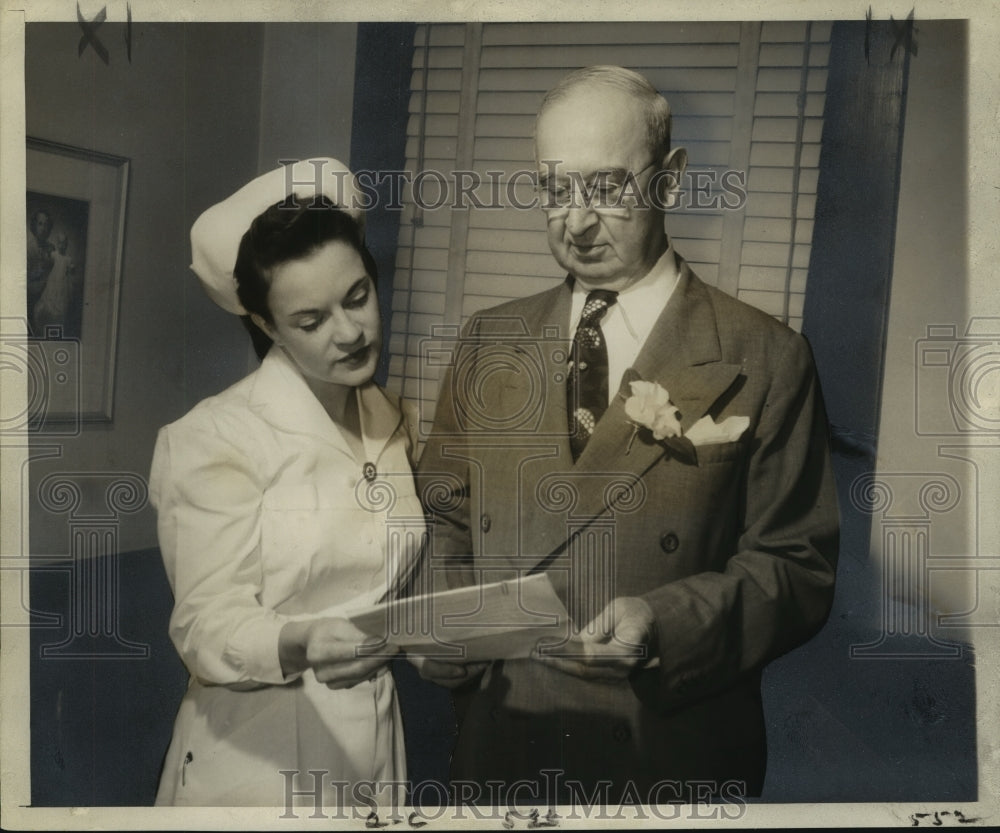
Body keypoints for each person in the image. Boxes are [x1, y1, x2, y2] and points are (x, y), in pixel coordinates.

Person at [415, 66, 840, 804]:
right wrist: (448, 619)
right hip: (503, 741)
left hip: (665, 750)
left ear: (670, 182)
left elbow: (796, 566)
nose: (575, 224)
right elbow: (445, 510)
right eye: (554, 190)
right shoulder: (490, 340)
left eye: (607, 189)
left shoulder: (768, 355)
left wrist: (667, 625)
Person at [150, 159, 421, 806]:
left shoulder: (390, 417)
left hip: (375, 741)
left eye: (358, 296)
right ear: (266, 325)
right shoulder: (216, 436)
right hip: (259, 755)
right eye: (311, 320)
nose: (350, 332)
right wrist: (300, 640)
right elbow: (206, 625)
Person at [26, 208, 54, 329]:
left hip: (49, 295)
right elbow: (27, 280)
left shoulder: (51, 248)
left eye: (47, 225)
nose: (43, 228)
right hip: (31, 296)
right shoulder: (28, 248)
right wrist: (44, 270)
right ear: (34, 226)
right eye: (40, 224)